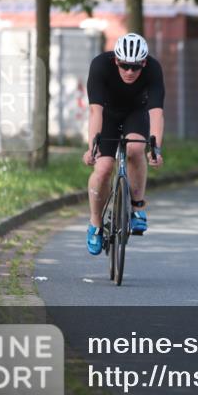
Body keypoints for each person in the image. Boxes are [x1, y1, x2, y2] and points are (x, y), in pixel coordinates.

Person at [82, 33, 165, 255]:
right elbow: (95, 111)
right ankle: (95, 224)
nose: (129, 72)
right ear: (116, 60)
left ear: (144, 63)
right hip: (107, 114)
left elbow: (156, 113)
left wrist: (155, 149)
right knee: (103, 168)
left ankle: (137, 206)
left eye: (135, 67)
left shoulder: (153, 69)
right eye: (125, 66)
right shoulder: (100, 65)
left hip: (136, 112)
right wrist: (92, 148)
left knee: (135, 148)